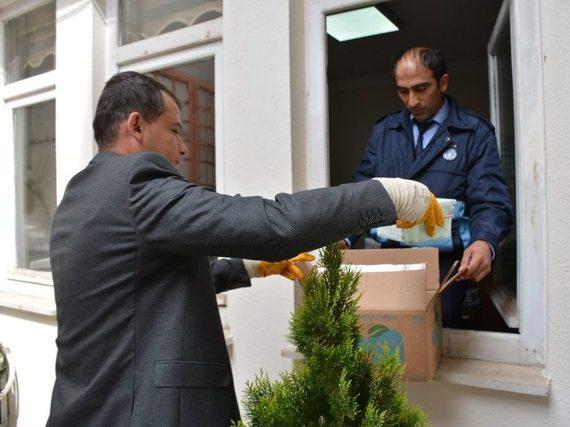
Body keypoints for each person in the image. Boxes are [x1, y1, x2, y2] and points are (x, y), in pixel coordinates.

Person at [46, 71, 443, 426]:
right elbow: (275, 224)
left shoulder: (77, 198)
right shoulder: (137, 183)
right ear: (136, 125)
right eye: (174, 130)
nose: (183, 148)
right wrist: (389, 196)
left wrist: (247, 267)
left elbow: (134, 293)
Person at [346, 47, 513, 327]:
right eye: (403, 91)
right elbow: (362, 191)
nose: (412, 101)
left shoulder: (474, 133)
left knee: (438, 330)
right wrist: (344, 236)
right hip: (390, 257)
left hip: (445, 263)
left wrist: (485, 241)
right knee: (382, 329)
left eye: (421, 89)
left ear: (443, 83)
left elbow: (490, 202)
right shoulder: (384, 131)